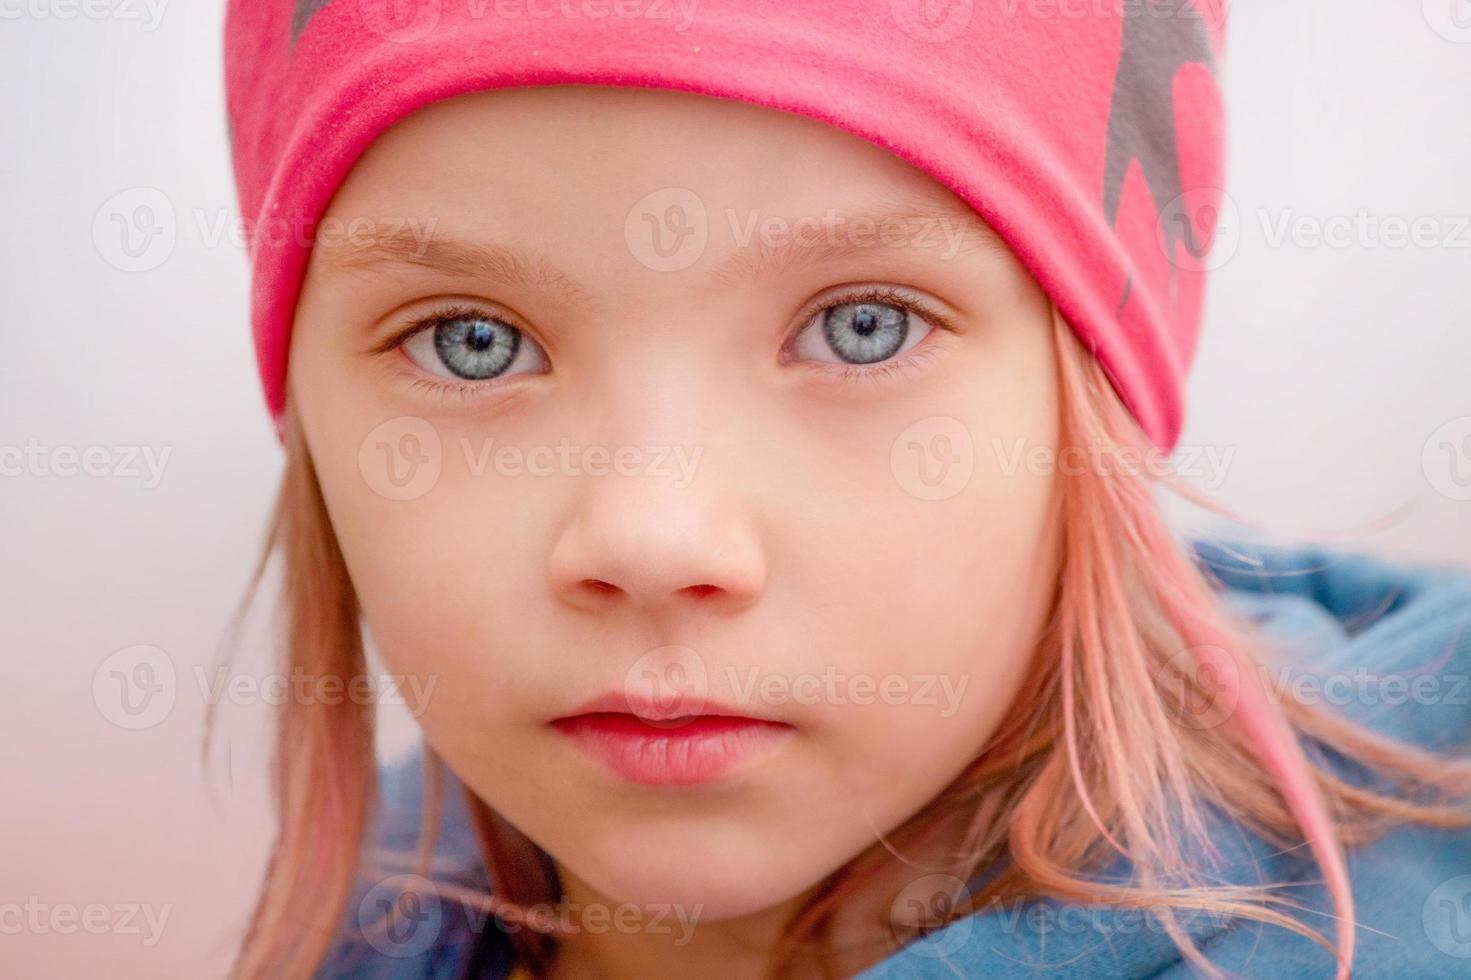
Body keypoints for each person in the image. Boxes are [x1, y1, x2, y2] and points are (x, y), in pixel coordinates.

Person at [219, 2, 1471, 977]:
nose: (653, 536)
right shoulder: (385, 912)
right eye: (469, 341)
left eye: (863, 326)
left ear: (1094, 392)